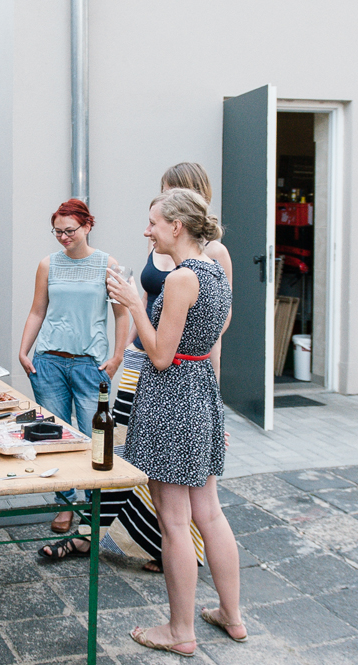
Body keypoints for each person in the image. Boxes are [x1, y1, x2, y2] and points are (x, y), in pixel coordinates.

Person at [42, 163, 231, 568]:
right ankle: (93, 535)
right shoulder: (164, 251)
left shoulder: (208, 258)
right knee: (117, 454)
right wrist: (120, 353)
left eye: (167, 197)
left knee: (176, 492)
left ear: (183, 216)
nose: (151, 222)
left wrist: (211, 399)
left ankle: (170, 557)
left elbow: (213, 325)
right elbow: (146, 304)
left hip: (176, 374)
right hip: (143, 364)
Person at [107, 188, 242, 656]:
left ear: (176, 227)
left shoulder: (183, 278)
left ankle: (179, 630)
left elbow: (161, 356)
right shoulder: (214, 269)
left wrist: (133, 303)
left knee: (175, 521)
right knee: (210, 512)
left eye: (153, 223)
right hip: (201, 390)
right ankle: (232, 615)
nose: (147, 230)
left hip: (173, 397)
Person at [19, 199, 129, 534]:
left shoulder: (107, 265)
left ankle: (92, 510)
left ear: (87, 226)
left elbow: (122, 313)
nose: (64, 237)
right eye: (57, 232)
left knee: (95, 442)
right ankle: (65, 506)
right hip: (48, 362)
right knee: (55, 440)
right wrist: (24, 351)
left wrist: (118, 357)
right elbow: (38, 310)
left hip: (89, 367)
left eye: (70, 231)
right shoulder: (47, 265)